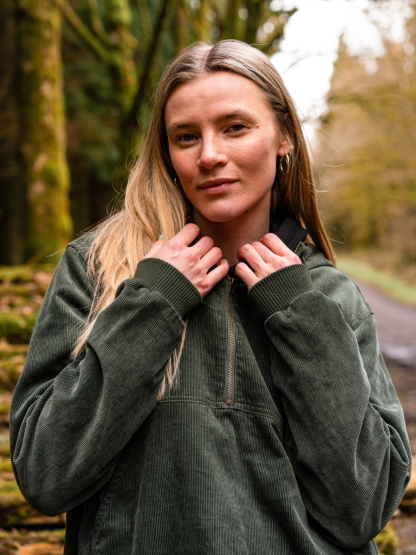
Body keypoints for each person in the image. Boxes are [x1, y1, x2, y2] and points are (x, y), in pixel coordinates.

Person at [10, 40, 411, 555]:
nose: (209, 155)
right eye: (186, 136)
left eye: (235, 127)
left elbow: (363, 507)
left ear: (284, 137)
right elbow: (45, 476)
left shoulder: (328, 295)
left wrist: (299, 314)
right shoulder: (99, 269)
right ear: (166, 153)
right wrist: (153, 304)